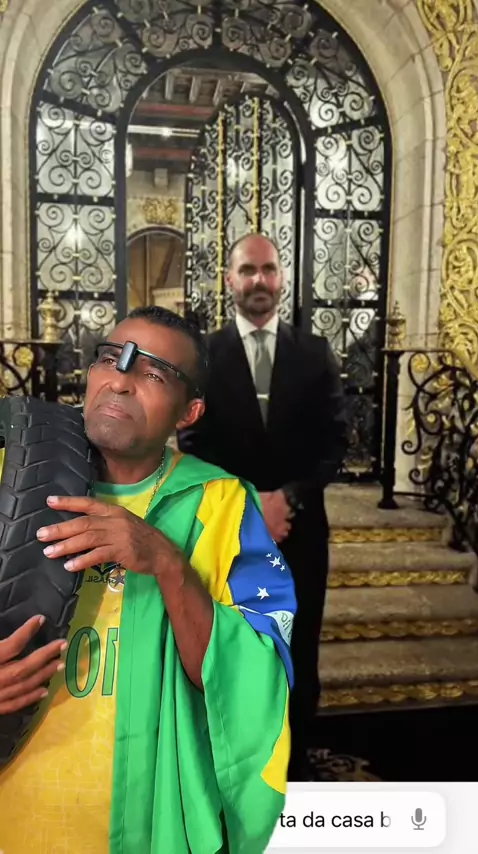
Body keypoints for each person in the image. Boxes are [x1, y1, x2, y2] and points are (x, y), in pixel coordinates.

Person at [0, 306, 296, 854]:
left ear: (190, 411)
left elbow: (251, 678)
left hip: (144, 821)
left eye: (154, 373)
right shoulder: (9, 476)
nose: (120, 381)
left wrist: (166, 562)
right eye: (111, 358)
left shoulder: (221, 505)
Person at [178, 234, 347, 780]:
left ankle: (294, 769)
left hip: (302, 532)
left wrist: (288, 498)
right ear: (230, 279)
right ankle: (237, 768)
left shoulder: (315, 354)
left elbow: (336, 443)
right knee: (235, 647)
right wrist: (252, 504)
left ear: (282, 278)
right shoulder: (204, 355)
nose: (259, 280)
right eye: (248, 270)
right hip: (230, 532)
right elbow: (193, 443)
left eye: (268, 269)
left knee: (299, 649)